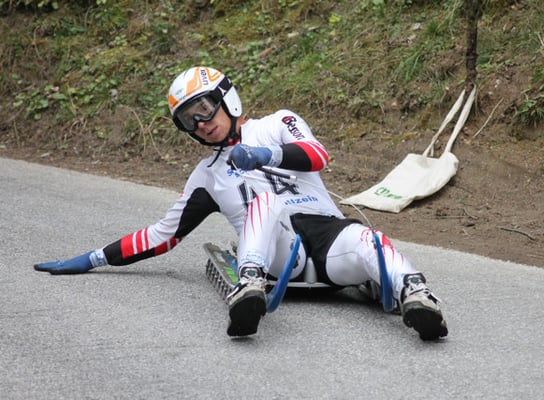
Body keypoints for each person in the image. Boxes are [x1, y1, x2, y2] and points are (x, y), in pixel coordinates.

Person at [34, 66, 448, 340]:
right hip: (278, 251)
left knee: (367, 238)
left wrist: (268, 155)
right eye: (189, 120)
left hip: (328, 238)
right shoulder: (207, 176)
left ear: (227, 99)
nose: (201, 124)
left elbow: (318, 155)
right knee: (265, 202)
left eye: (204, 109)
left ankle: (416, 294)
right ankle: (248, 284)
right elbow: (162, 236)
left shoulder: (277, 123)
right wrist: (93, 259)